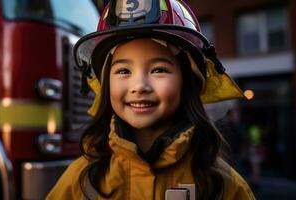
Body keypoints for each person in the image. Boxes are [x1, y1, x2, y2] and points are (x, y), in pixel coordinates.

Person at [47, 0, 255, 199]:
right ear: (106, 83)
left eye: (158, 69)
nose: (139, 86)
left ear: (188, 81)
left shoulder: (224, 185)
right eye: (123, 70)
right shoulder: (80, 179)